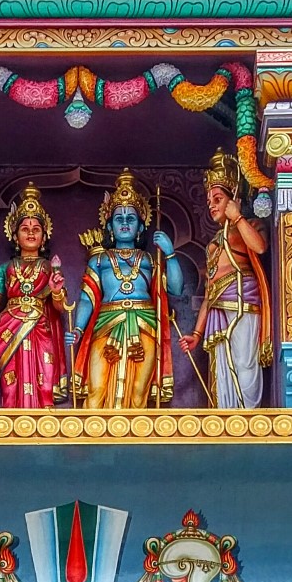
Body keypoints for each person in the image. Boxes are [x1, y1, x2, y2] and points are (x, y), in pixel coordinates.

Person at [72, 169, 187, 410]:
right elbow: (87, 299)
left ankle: (136, 442)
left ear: (141, 226)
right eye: (119, 218)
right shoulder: (100, 260)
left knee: (137, 393)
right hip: (106, 322)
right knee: (96, 390)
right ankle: (92, 441)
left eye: (131, 218)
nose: (125, 223)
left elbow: (175, 289)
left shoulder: (150, 258)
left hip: (144, 322)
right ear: (110, 227)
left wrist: (170, 253)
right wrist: (78, 328)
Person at [180, 150, 271, 409]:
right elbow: (209, 292)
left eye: (218, 199)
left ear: (234, 199)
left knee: (244, 361)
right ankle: (227, 413)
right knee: (222, 366)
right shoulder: (213, 245)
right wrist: (196, 333)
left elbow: (260, 248)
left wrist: (238, 218)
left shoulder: (249, 226)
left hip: (244, 301)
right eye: (210, 200)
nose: (212, 205)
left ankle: (248, 414)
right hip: (218, 307)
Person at [0, 184, 71, 408]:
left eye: (36, 228)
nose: (31, 232)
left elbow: (61, 308)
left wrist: (55, 291)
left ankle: (43, 419)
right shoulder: (5, 268)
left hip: (41, 328)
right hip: (9, 327)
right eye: (25, 228)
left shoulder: (49, 268)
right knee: (11, 381)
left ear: (44, 237)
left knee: (44, 378)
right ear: (15, 236)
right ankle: (12, 417)